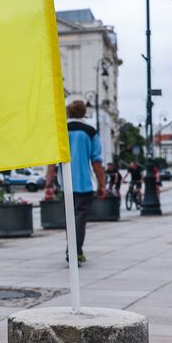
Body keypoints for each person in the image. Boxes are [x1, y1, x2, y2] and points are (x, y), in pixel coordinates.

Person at [45, 101, 105, 264]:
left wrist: (48, 184)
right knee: (80, 217)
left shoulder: (61, 131)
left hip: (65, 184)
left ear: (69, 113)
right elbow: (97, 161)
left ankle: (73, 249)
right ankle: (75, 251)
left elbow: (52, 160)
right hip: (84, 182)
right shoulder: (91, 132)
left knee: (70, 217)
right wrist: (102, 185)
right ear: (84, 113)